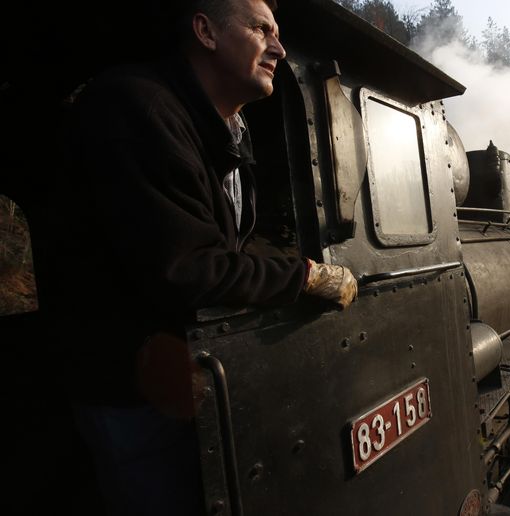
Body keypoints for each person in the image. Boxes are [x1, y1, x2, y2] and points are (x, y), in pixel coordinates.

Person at [46, 0, 357, 514]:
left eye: (277, 33)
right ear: (205, 31)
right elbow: (189, 267)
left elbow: (227, 243)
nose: (278, 48)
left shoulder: (223, 130)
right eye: (261, 30)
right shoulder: (138, 109)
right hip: (134, 394)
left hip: (183, 380)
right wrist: (302, 276)